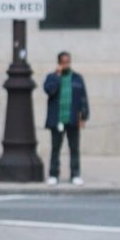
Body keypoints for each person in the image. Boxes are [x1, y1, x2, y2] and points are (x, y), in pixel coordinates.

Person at [43, 50, 89, 184]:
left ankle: (75, 174)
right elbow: (49, 90)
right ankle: (53, 174)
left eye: (68, 62)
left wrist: (84, 116)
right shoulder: (51, 77)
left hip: (73, 118)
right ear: (59, 63)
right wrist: (57, 75)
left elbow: (83, 98)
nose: (66, 65)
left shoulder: (77, 78)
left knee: (74, 148)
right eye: (63, 62)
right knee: (55, 148)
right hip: (57, 118)